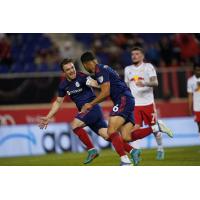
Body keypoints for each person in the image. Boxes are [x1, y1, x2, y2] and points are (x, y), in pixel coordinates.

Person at [80, 52, 173, 165]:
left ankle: (125, 161)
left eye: (84, 66)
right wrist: (96, 84)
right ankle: (155, 127)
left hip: (122, 99)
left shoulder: (99, 69)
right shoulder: (104, 68)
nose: (85, 68)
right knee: (126, 136)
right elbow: (110, 86)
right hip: (128, 99)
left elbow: (106, 92)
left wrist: (91, 104)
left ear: (86, 63)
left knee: (111, 130)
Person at [38, 58, 136, 165]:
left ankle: (92, 150)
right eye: (68, 69)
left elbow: (98, 84)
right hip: (88, 112)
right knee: (107, 135)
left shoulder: (82, 77)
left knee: (75, 125)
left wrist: (102, 83)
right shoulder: (63, 85)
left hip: (92, 109)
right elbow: (58, 102)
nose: (71, 71)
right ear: (64, 72)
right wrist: (48, 117)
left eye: (72, 67)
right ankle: (132, 151)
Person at [124, 47, 168, 160]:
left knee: (155, 130)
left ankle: (160, 148)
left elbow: (155, 82)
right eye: (132, 54)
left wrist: (144, 83)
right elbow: (126, 87)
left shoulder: (148, 67)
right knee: (134, 130)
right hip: (134, 105)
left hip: (148, 103)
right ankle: (137, 153)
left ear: (142, 56)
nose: (134, 56)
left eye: (137, 54)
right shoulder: (127, 69)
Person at [187, 63, 200, 135]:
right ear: (194, 70)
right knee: (199, 124)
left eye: (199, 70)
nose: (198, 71)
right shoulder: (190, 80)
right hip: (197, 106)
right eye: (197, 70)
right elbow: (190, 95)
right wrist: (189, 107)